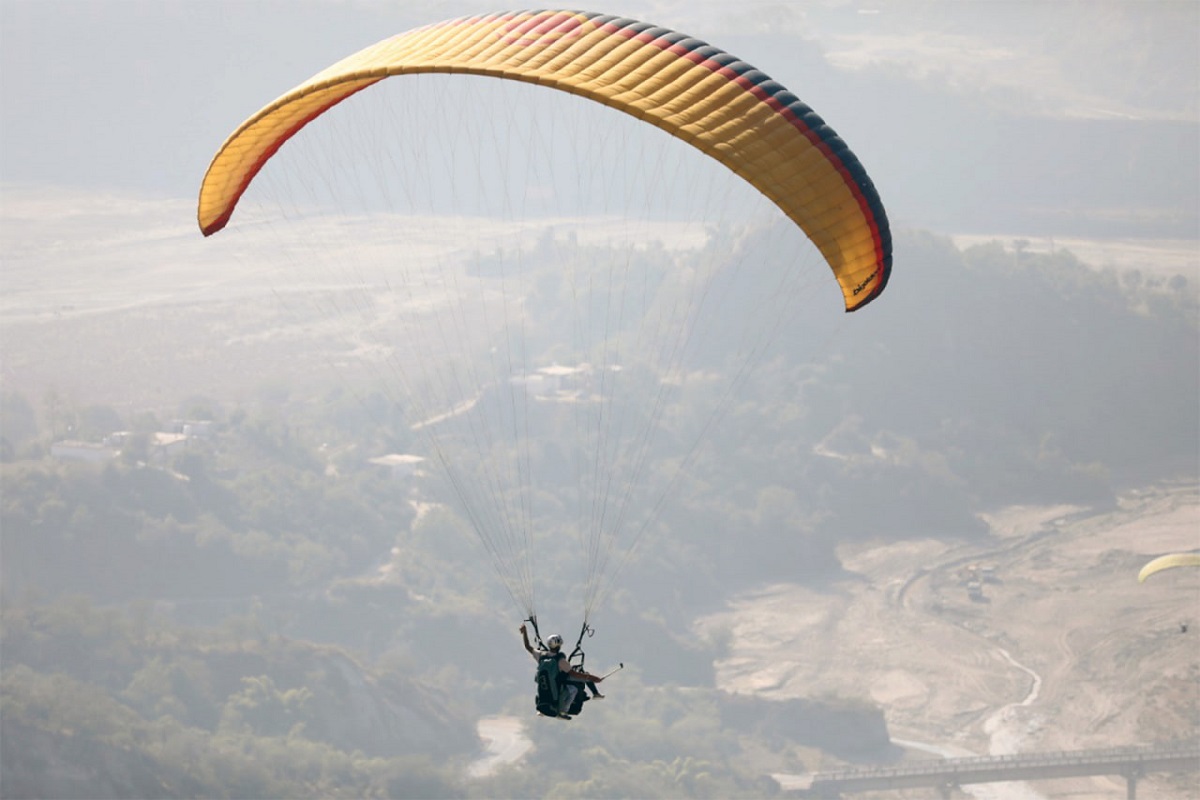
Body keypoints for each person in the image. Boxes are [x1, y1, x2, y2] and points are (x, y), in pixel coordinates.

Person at [520, 624, 604, 718]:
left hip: (546, 691)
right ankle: (564, 710)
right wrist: (593, 678)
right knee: (574, 689)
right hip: (559, 682)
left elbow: (528, 646)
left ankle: (544, 710)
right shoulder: (560, 660)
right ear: (559, 646)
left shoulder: (541, 656)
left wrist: (524, 632)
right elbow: (575, 674)